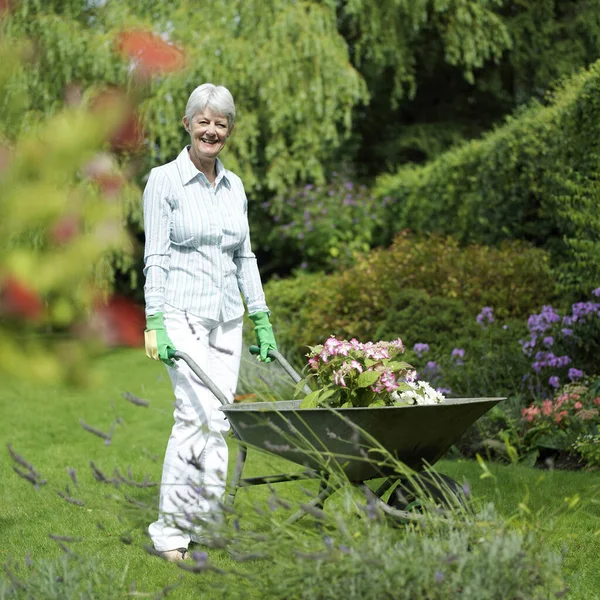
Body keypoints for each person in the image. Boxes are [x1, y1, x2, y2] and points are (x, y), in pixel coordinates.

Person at [142, 83, 277, 561]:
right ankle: (170, 534)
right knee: (192, 416)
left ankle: (204, 522)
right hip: (181, 313)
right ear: (187, 125)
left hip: (226, 318)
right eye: (203, 121)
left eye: (221, 123)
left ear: (229, 130)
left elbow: (245, 254)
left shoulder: (234, 185)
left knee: (219, 422)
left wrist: (259, 315)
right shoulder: (164, 180)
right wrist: (153, 318)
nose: (212, 130)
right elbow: (155, 254)